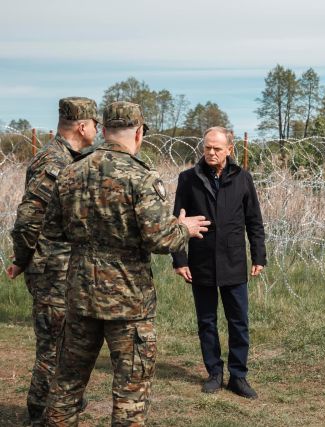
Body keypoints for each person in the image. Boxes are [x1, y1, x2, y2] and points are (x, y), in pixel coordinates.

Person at [41, 101, 210, 426]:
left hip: (81, 297)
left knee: (65, 388)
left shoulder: (71, 172)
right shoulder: (140, 176)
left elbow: (51, 230)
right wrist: (184, 229)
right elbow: (160, 239)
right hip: (128, 303)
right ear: (139, 133)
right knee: (130, 395)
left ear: (104, 131)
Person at [6, 97, 100, 425]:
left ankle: (58, 406)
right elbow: (28, 219)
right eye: (96, 124)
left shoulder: (70, 157)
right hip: (51, 270)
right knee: (53, 347)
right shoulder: (54, 161)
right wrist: (24, 257)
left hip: (63, 268)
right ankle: (40, 413)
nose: (98, 131)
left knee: (64, 343)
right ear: (82, 126)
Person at [172, 126, 266, 399]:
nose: (211, 152)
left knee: (239, 321)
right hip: (201, 261)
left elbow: (254, 221)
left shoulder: (242, 178)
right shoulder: (188, 179)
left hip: (234, 260)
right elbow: (177, 221)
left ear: (229, 149)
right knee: (207, 320)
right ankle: (214, 373)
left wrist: (258, 255)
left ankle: (238, 376)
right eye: (207, 147)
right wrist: (180, 258)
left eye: (217, 148)